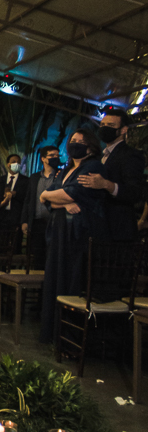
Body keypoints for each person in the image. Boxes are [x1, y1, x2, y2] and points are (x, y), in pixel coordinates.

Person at [39, 126, 107, 344]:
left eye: (81, 141)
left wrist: (48, 195)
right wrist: (56, 200)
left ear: (90, 146)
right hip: (59, 231)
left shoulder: (93, 166)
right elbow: (51, 197)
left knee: (71, 281)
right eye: (73, 140)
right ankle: (52, 332)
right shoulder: (66, 168)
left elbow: (73, 193)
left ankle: (69, 337)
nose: (75, 143)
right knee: (54, 279)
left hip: (77, 233)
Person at [78, 108, 145, 240]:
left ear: (123, 130)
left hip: (117, 229)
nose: (104, 128)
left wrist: (107, 185)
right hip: (97, 226)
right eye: (102, 125)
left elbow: (135, 192)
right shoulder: (99, 156)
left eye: (111, 125)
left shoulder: (131, 155)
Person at [22, 144, 60, 262]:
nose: (55, 158)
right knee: (37, 255)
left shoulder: (61, 175)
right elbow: (28, 200)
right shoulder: (34, 177)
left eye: (57, 155)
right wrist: (24, 221)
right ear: (43, 158)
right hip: (37, 222)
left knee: (52, 254)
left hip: (54, 221)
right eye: (52, 155)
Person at [0, 153, 28, 230]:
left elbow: (27, 197)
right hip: (2, 217)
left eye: (18, 162)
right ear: (8, 165)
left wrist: (15, 194)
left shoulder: (26, 181)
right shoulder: (0, 180)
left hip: (17, 217)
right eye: (14, 162)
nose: (16, 164)